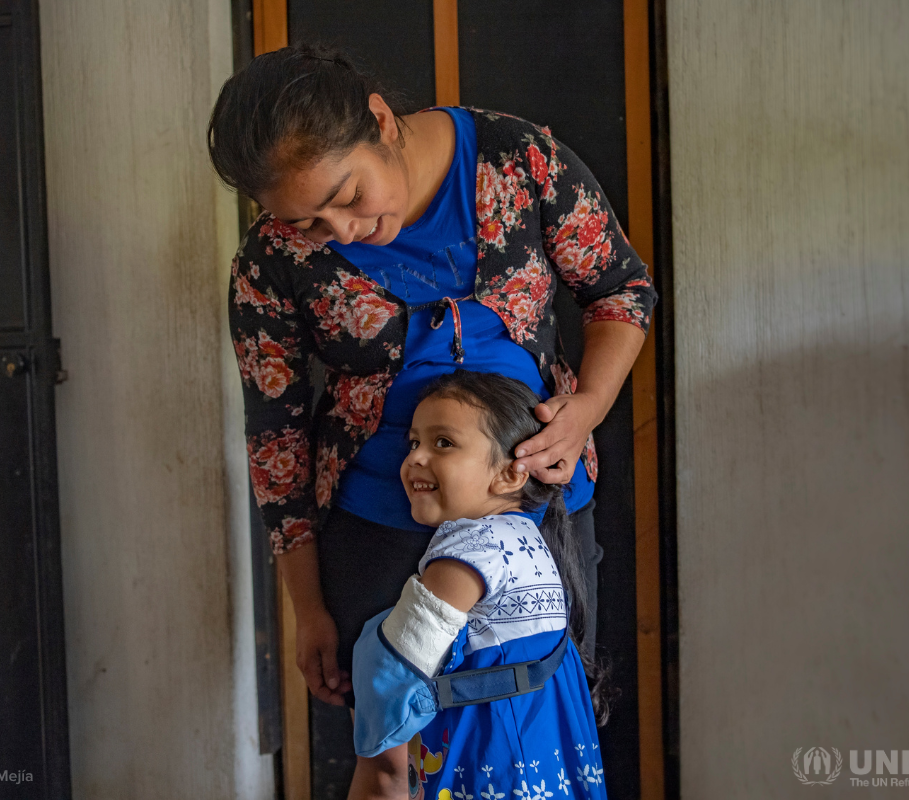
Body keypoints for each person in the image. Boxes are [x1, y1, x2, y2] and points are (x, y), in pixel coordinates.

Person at [207, 43, 656, 792]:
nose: (339, 231)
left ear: (380, 121)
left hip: (537, 512)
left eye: (346, 196)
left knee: (536, 731)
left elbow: (620, 290)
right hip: (378, 528)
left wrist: (588, 410)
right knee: (394, 761)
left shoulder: (519, 161)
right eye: (309, 221)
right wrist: (308, 605)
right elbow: (276, 436)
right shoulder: (271, 259)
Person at [349, 370, 608, 800]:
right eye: (414, 442)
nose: (415, 457)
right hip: (539, 743)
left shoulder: (470, 551)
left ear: (510, 475)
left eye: (443, 443)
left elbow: (397, 665)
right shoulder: (523, 535)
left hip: (493, 752)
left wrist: (374, 750)